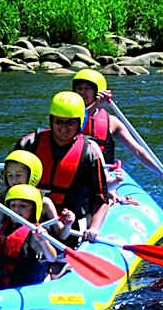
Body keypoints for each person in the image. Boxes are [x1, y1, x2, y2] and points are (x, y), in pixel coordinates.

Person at [14, 91, 109, 243]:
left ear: (80, 123)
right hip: (28, 216)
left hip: (69, 223)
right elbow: (5, 179)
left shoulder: (89, 155)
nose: (64, 128)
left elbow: (102, 200)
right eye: (59, 122)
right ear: (51, 121)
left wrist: (94, 228)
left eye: (70, 123)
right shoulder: (30, 144)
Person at [71, 68, 163, 186]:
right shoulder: (66, 119)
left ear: (97, 92)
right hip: (74, 173)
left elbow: (138, 150)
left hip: (101, 175)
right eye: (79, 88)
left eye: (87, 89)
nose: (81, 92)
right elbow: (79, 121)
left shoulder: (112, 122)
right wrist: (95, 103)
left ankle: (109, 188)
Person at [0, 184, 61, 290]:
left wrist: (43, 242)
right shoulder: (2, 229)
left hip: (26, 289)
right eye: (13, 205)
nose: (16, 210)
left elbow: (52, 257)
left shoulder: (36, 232)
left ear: (34, 209)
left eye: (23, 206)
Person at [0, 149, 75, 239]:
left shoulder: (44, 203)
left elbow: (62, 235)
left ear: (32, 176)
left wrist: (68, 225)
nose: (14, 180)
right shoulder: (6, 200)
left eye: (18, 175)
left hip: (36, 253)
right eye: (10, 175)